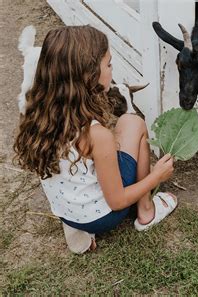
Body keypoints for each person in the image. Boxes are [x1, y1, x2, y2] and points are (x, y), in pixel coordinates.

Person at [13, 25, 177, 254]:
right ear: (89, 75)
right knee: (132, 123)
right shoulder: (96, 135)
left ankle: (74, 227)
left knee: (89, 156)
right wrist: (157, 176)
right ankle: (146, 211)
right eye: (108, 64)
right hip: (102, 216)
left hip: (65, 209)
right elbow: (117, 202)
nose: (112, 69)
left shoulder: (37, 114)